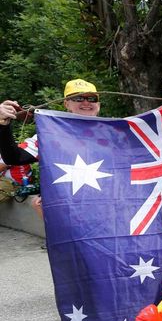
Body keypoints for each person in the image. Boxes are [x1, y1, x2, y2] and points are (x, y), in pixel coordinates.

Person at [0, 79, 102, 219]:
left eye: (91, 98)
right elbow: (14, 158)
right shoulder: (50, 134)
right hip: (69, 206)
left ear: (98, 104)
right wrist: (3, 125)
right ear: (67, 103)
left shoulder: (118, 132)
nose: (86, 102)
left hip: (108, 201)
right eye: (78, 98)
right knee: (40, 203)